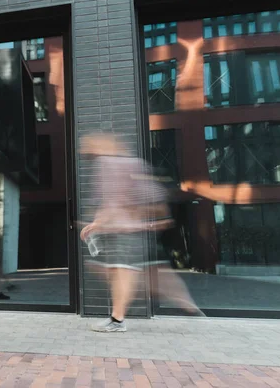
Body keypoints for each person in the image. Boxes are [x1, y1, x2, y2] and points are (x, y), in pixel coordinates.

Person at [79, 134, 202, 333]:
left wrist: (97, 223)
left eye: (88, 144)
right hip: (131, 229)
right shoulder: (130, 163)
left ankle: (118, 320)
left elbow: (114, 199)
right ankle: (178, 297)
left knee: (122, 273)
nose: (83, 150)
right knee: (120, 271)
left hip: (125, 231)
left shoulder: (109, 164)